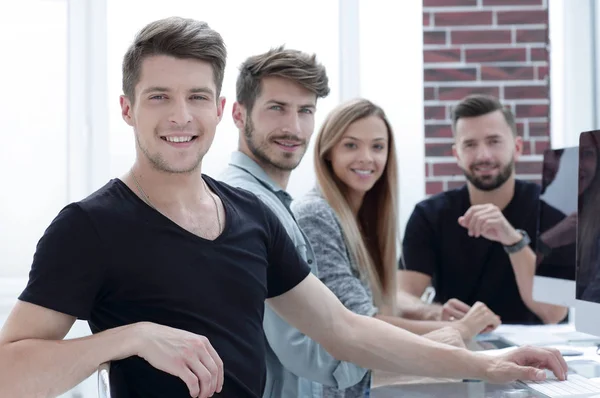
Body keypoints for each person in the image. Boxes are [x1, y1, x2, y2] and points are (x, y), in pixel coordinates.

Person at [0, 18, 568, 398]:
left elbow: (344, 329)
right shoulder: (90, 227)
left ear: (221, 109)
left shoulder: (250, 215)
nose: (181, 117)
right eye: (159, 97)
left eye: (196, 96)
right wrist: (129, 337)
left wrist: (491, 365)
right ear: (127, 109)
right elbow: (10, 372)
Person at [292, 98, 501, 397]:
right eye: (351, 145)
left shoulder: (363, 217)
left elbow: (372, 300)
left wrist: (433, 315)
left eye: (377, 147)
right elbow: (361, 321)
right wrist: (459, 331)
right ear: (328, 153)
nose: (367, 158)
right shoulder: (316, 214)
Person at [220, 47, 368, 397]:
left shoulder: (267, 200)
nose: (294, 127)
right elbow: (308, 351)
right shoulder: (253, 205)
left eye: (306, 111)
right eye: (277, 108)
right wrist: (404, 352)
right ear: (239, 115)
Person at [397, 94, 568, 325]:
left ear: (517, 148)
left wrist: (512, 240)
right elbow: (401, 296)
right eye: (470, 144)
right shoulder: (429, 215)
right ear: (457, 155)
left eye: (494, 141)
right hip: (460, 348)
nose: (483, 155)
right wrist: (434, 313)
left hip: (537, 352)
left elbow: (554, 313)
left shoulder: (549, 208)